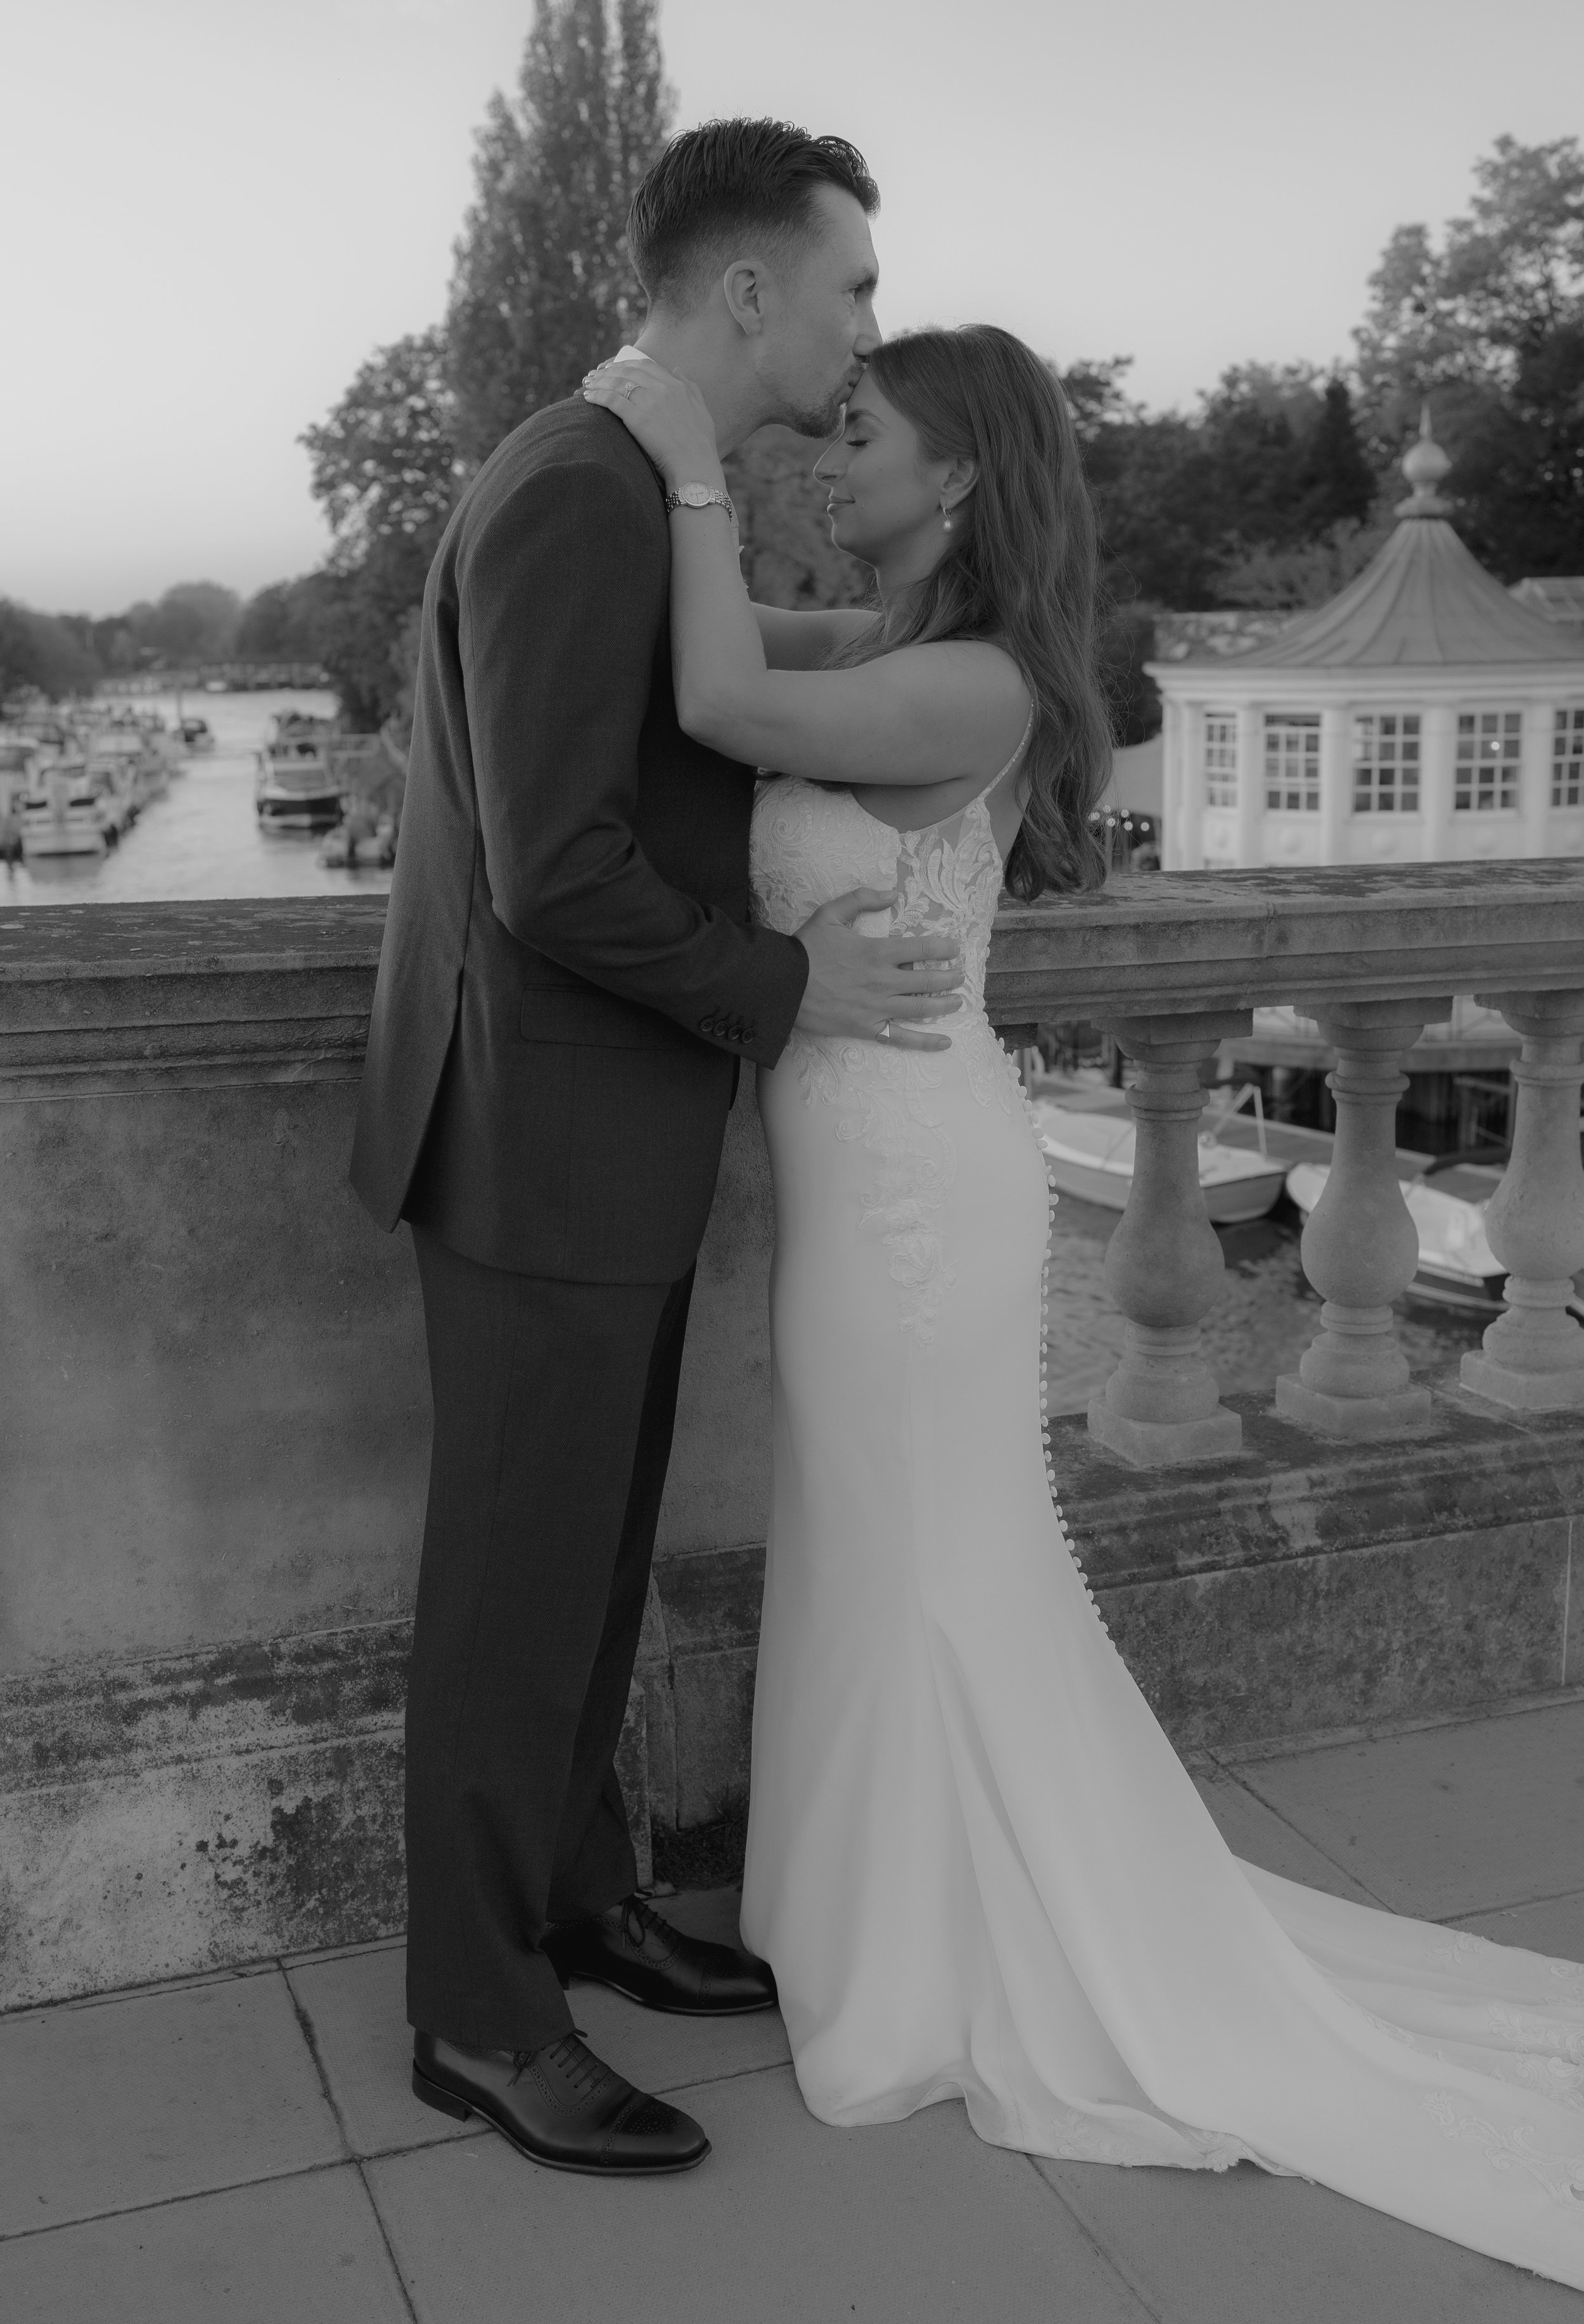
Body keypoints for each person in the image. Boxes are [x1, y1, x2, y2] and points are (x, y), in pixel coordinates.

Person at [581, 326, 1584, 2289]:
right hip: (866, 1170)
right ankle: (877, 1918)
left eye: (860, 432)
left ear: (956, 477)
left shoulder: (968, 680)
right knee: (881, 1547)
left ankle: (948, 1954)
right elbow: (706, 655)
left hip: (910, 1196)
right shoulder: (890, 645)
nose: (827, 452)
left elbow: (704, 683)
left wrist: (676, 446)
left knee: (928, 1553)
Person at [349, 119, 968, 2178]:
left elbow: (711, 703)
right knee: (514, 1595)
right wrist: (787, 991)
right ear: (743, 295)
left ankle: (577, 1900)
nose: (865, 323)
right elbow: (554, 873)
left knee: (589, 1572)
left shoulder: (639, 485)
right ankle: (476, 2012)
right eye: (853, 285)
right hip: (534, 1145)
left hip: (595, 1143)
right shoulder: (580, 493)